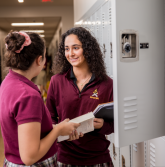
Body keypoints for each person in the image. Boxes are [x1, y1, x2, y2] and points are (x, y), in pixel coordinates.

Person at [0, 31, 80, 166]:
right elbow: (29, 157)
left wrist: (56, 127)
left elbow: (23, 128)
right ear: (39, 60)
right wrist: (58, 130)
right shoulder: (28, 95)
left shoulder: (8, 81)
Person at [46, 27, 114, 166]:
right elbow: (49, 118)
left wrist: (101, 126)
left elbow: (113, 125)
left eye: (75, 48)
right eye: (66, 49)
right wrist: (60, 130)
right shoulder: (56, 81)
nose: (70, 53)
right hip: (65, 157)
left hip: (98, 157)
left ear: (87, 49)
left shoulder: (107, 84)